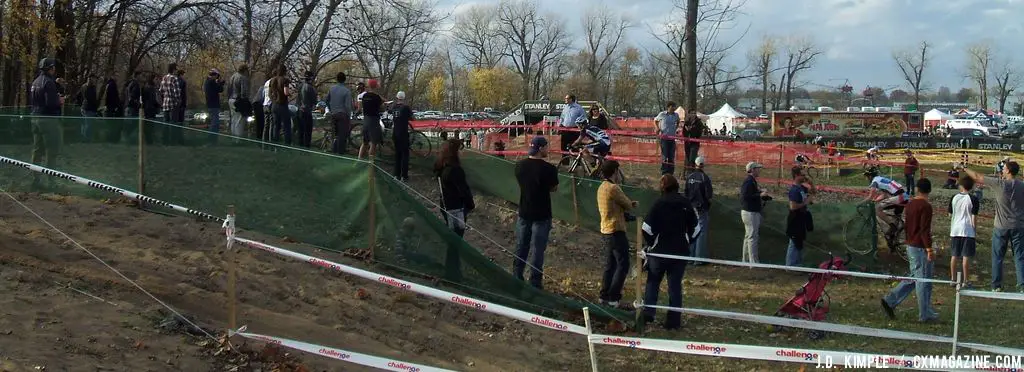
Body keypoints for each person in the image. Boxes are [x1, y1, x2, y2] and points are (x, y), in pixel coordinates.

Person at [641, 174, 699, 330]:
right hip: (680, 252)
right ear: (676, 187)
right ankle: (673, 321)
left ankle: (648, 314)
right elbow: (697, 228)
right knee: (675, 286)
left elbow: (646, 228)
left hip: (659, 253)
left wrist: (652, 243)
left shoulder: (658, 203)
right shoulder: (686, 203)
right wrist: (688, 241)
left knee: (653, 282)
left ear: (662, 188)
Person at [880, 178, 939, 323]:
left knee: (915, 276)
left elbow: (908, 225)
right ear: (929, 190)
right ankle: (924, 314)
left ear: (918, 189)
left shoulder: (911, 204)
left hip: (910, 243)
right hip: (920, 246)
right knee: (923, 280)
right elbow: (924, 230)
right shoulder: (925, 206)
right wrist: (929, 249)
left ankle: (890, 300)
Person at [962, 161, 1024, 292]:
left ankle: (996, 285)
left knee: (997, 256)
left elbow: (978, 176)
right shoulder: (1022, 186)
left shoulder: (1000, 184)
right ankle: (1022, 285)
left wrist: (964, 167)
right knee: (1019, 256)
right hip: (1018, 226)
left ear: (1008, 171)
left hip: (1001, 226)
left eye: (1004, 169)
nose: (1002, 170)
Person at [513, 136, 559, 289]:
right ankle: (535, 282)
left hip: (524, 212)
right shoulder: (549, 169)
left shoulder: (519, 166)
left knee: (521, 245)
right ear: (541, 148)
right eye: (546, 146)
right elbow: (553, 188)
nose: (548, 149)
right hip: (542, 214)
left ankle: (516, 276)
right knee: (538, 250)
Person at [596, 160, 637, 307]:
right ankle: (614, 297)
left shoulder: (601, 187)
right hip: (616, 230)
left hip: (605, 230)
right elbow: (626, 204)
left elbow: (613, 206)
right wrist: (630, 205)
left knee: (610, 265)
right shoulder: (614, 187)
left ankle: (604, 296)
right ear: (615, 172)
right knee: (623, 265)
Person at [30, 57, 64, 188]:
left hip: (35, 119)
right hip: (48, 120)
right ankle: (51, 180)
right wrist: (60, 101)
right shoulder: (48, 82)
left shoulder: (35, 81)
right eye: (53, 67)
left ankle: (36, 179)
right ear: (51, 68)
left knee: (37, 150)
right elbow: (51, 103)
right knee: (52, 150)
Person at [434, 139, 475, 237]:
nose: (462, 152)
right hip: (456, 208)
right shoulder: (455, 170)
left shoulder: (441, 165)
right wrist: (470, 205)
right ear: (454, 152)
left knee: (451, 232)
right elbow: (464, 191)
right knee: (457, 236)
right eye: (460, 149)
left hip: (445, 204)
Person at [863, 166, 910, 245]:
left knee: (877, 208)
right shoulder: (880, 179)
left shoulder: (875, 181)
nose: (867, 179)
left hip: (899, 197)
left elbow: (870, 196)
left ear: (870, 176)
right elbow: (884, 195)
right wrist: (874, 200)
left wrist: (860, 203)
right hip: (904, 197)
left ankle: (892, 226)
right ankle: (893, 242)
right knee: (896, 219)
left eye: (867, 177)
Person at [948, 175, 979, 288]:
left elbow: (950, 214)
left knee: (954, 255)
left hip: (955, 229)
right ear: (971, 187)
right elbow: (973, 217)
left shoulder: (954, 197)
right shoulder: (973, 199)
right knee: (965, 257)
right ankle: (966, 280)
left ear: (961, 186)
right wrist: (974, 230)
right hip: (967, 230)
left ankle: (953, 279)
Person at [684, 156, 713, 263]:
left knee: (692, 231)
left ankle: (690, 258)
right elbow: (709, 196)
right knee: (701, 232)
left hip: (690, 207)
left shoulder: (689, 177)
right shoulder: (704, 178)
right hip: (701, 208)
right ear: (703, 165)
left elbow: (686, 192)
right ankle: (699, 258)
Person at [786, 166, 815, 267]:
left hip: (802, 217)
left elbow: (813, 192)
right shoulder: (794, 190)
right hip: (795, 218)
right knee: (794, 242)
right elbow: (793, 206)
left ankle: (797, 264)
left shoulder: (802, 188)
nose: (804, 177)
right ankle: (790, 265)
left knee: (799, 241)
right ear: (797, 176)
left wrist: (811, 183)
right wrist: (805, 202)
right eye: (802, 175)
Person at [740, 162, 768, 263]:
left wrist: (759, 192)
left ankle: (746, 260)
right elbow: (745, 197)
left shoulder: (751, 181)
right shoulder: (748, 181)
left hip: (750, 212)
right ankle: (753, 262)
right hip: (750, 212)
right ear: (752, 170)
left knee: (749, 236)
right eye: (757, 168)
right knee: (752, 236)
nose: (759, 170)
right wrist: (759, 195)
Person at [324, 72, 353, 154]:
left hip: (333, 114)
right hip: (343, 115)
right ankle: (340, 153)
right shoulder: (347, 91)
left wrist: (331, 109)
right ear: (345, 80)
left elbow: (326, 101)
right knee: (342, 135)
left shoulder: (331, 89)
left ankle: (334, 151)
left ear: (337, 79)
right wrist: (349, 116)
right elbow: (347, 106)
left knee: (335, 134)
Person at [389, 91, 415, 180]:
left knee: (397, 154)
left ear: (397, 97)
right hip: (403, 133)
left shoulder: (394, 107)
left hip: (395, 133)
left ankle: (396, 174)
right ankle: (404, 175)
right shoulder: (406, 107)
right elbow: (412, 118)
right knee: (405, 155)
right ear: (404, 98)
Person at [358, 79, 385, 159]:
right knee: (373, 143)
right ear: (376, 86)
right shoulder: (377, 97)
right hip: (374, 121)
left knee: (365, 142)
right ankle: (370, 164)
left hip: (365, 120)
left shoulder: (364, 96)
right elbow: (382, 108)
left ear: (369, 86)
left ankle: (359, 160)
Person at [158, 63, 183, 145]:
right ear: (174, 69)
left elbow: (161, 90)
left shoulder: (164, 78)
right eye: (176, 69)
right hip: (173, 103)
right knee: (173, 123)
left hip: (165, 103)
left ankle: (164, 141)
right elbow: (177, 92)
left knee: (165, 123)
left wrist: (165, 97)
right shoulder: (174, 78)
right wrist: (178, 100)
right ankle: (173, 141)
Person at [267, 65, 291, 145]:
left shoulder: (272, 80)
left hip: (274, 105)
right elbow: (286, 92)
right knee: (286, 126)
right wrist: (289, 94)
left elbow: (269, 93)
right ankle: (287, 144)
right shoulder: (285, 80)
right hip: (282, 104)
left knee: (275, 125)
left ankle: (274, 143)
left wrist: (273, 99)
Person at [558, 94, 586, 164]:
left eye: (567, 98)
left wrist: (579, 124)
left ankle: (577, 165)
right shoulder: (565, 107)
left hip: (574, 130)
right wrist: (559, 126)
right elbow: (562, 117)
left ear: (571, 99)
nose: (565, 99)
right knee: (564, 148)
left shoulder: (579, 108)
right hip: (565, 130)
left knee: (575, 148)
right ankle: (565, 164)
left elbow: (583, 117)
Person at [653, 101, 680, 175]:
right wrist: (657, 128)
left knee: (671, 156)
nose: (674, 108)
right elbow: (655, 120)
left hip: (672, 138)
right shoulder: (662, 114)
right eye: (672, 106)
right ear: (669, 107)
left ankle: (671, 172)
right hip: (664, 138)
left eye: (674, 106)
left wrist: (675, 128)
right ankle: (664, 172)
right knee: (665, 155)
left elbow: (678, 121)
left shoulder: (676, 115)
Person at [227, 64, 251, 138]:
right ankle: (238, 139)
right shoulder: (242, 78)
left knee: (234, 119)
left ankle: (233, 137)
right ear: (245, 70)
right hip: (239, 100)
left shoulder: (232, 77)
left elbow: (228, 89)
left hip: (231, 99)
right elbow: (244, 92)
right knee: (240, 120)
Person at [296, 71, 317, 148]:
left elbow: (298, 99)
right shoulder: (311, 88)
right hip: (307, 111)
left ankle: (300, 147)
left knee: (300, 131)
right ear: (311, 78)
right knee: (307, 132)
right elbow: (314, 101)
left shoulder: (300, 86)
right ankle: (306, 148)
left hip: (299, 110)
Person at [204, 69, 225, 142]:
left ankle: (212, 139)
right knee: (215, 123)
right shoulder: (211, 82)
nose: (217, 78)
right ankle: (212, 139)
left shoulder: (207, 82)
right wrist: (220, 83)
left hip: (210, 105)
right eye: (217, 76)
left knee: (213, 122)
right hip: (214, 105)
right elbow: (220, 89)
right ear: (214, 75)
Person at [78, 75, 99, 141]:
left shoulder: (92, 87)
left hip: (89, 108)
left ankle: (86, 138)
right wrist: (82, 104)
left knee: (87, 124)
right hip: (87, 108)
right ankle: (86, 139)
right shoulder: (86, 87)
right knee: (87, 125)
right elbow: (80, 96)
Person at [141, 73, 160, 144]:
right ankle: (149, 141)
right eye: (155, 79)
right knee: (150, 126)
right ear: (152, 79)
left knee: (148, 126)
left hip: (147, 108)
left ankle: (148, 140)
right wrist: (158, 105)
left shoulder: (146, 87)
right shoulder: (151, 88)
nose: (156, 80)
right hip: (150, 109)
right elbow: (152, 99)